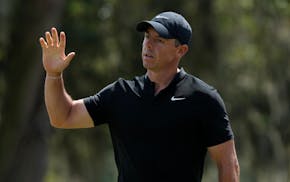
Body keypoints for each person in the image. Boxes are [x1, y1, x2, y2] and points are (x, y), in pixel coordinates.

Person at [39, 11, 239, 182]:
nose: (148, 45)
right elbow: (62, 116)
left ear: (181, 50)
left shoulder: (203, 99)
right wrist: (53, 75)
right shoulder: (120, 94)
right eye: (146, 37)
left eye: (159, 40)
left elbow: (228, 165)